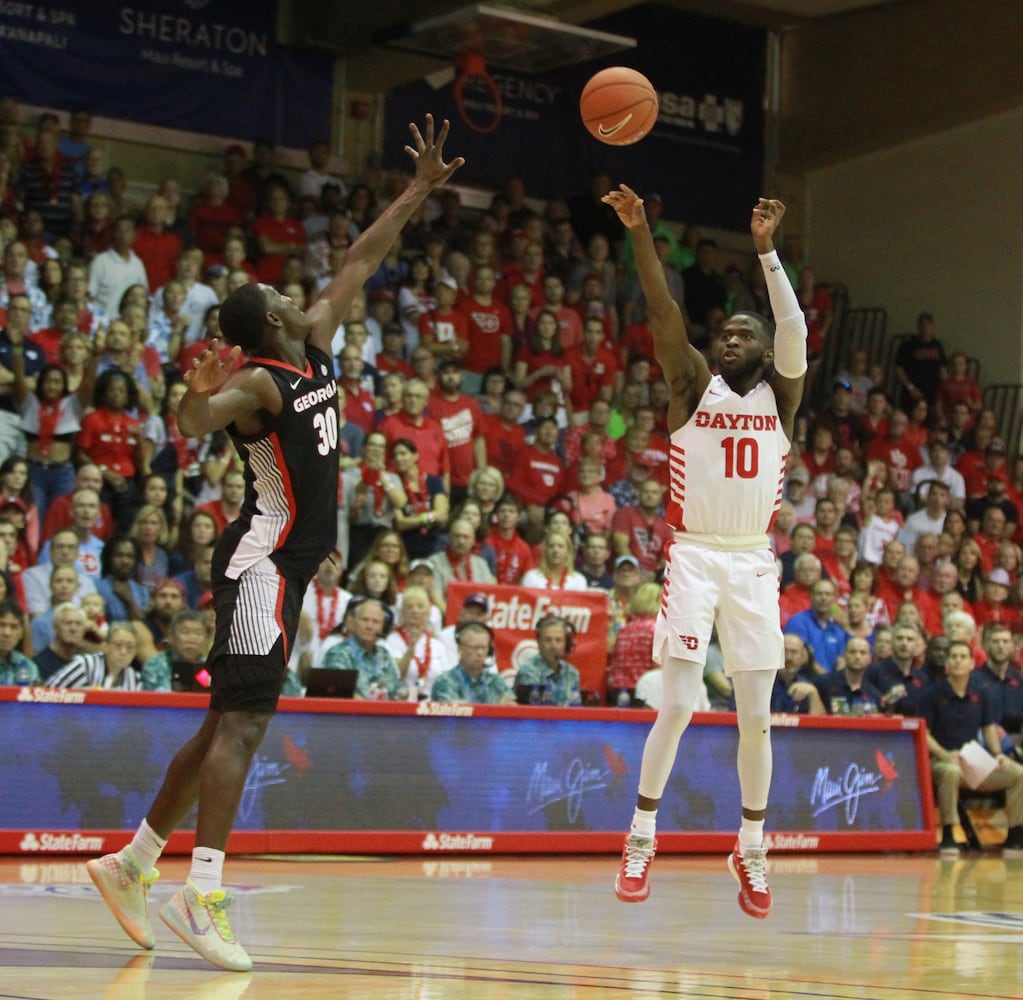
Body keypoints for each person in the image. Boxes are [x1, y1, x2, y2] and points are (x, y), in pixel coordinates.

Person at [85, 115, 463, 972]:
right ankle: (202, 890)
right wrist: (194, 397)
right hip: (259, 563)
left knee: (224, 720)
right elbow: (193, 421)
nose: (301, 294)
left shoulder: (315, 348)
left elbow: (362, 257)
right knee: (246, 725)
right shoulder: (257, 378)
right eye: (282, 296)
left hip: (288, 560)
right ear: (271, 320)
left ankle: (133, 862)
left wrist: (417, 189)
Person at [603, 187, 805, 918]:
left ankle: (750, 848)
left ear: (764, 350)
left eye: (745, 333)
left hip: (753, 562)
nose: (731, 336)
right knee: (681, 703)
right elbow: (662, 315)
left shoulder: (781, 398)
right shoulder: (690, 385)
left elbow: (793, 326)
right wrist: (639, 234)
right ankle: (640, 835)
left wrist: (763, 251)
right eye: (725, 330)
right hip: (692, 555)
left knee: (756, 716)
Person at [920, 638, 1023, 856]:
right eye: (954, 657)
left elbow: (988, 728)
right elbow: (924, 734)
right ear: (947, 663)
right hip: (940, 761)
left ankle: (1014, 834)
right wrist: (945, 755)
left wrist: (997, 755)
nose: (958, 661)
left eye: (963, 657)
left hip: (972, 761)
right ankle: (949, 834)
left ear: (971, 663)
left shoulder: (980, 693)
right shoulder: (931, 693)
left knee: (1018, 774)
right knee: (951, 771)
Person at [431, 621, 512, 704]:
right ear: (460, 648)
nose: (480, 653)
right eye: (475, 648)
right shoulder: (445, 681)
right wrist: (497, 707)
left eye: (484, 648)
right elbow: (455, 712)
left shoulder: (496, 682)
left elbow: (512, 707)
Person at [47, 620, 142, 689]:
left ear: (135, 652)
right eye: (118, 645)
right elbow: (48, 689)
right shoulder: (85, 665)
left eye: (129, 647)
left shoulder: (134, 679)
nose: (123, 652)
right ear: (106, 647)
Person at [513, 615, 582, 706]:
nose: (553, 646)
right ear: (539, 642)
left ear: (566, 643)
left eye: (558, 640)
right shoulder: (528, 671)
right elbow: (531, 711)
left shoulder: (572, 673)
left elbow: (576, 707)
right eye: (548, 640)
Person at [140, 610, 211, 692]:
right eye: (185, 632)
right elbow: (158, 701)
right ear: (171, 637)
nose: (192, 639)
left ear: (206, 639)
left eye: (198, 634)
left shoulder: (210, 668)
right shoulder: (154, 665)